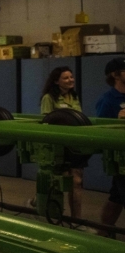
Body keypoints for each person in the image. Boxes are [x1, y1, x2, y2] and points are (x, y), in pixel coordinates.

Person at [39, 66, 85, 219]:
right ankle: (42, 206)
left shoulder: (74, 97)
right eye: (65, 78)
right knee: (57, 181)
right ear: (56, 81)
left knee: (76, 182)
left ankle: (76, 221)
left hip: (75, 145)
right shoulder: (49, 98)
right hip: (58, 147)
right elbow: (46, 121)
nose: (70, 80)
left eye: (71, 77)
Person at [96, 58, 125, 236]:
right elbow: (101, 129)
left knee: (116, 197)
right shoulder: (107, 101)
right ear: (115, 75)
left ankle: (104, 231)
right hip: (120, 159)